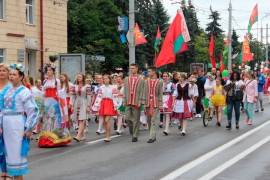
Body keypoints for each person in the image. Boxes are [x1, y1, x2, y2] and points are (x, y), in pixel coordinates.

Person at [0, 63, 38, 180]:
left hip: (17, 124)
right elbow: (1, 109)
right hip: (6, 125)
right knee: (8, 154)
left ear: (21, 77)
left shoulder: (24, 91)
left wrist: (29, 128)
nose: (11, 76)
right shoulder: (6, 90)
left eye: (14, 74)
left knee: (17, 157)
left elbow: (33, 110)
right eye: (10, 74)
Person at [38, 61, 71, 147]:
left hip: (55, 102)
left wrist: (60, 104)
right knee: (46, 121)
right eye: (47, 70)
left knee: (53, 120)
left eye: (50, 70)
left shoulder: (57, 81)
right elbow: (43, 93)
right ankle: (46, 139)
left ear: (53, 71)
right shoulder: (45, 81)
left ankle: (55, 139)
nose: (48, 71)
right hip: (46, 102)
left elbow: (60, 92)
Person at [123, 63, 145, 142]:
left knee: (136, 119)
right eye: (130, 68)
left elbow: (142, 91)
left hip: (136, 101)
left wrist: (140, 101)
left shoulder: (141, 79)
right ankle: (133, 130)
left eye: (133, 68)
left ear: (136, 69)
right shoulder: (127, 79)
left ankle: (135, 135)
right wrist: (124, 100)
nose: (131, 70)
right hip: (128, 101)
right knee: (128, 118)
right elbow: (125, 90)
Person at [92, 75, 118, 142]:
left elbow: (115, 97)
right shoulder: (101, 87)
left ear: (109, 80)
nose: (105, 80)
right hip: (103, 103)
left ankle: (108, 135)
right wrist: (97, 105)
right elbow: (99, 97)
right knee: (104, 121)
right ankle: (107, 135)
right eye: (104, 79)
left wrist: (115, 105)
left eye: (106, 78)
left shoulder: (113, 87)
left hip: (110, 103)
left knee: (107, 120)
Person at [143, 66, 163, 143]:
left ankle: (151, 137)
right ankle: (153, 134)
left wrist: (160, 104)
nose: (148, 73)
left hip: (155, 102)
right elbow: (144, 92)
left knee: (153, 120)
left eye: (150, 71)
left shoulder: (159, 82)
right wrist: (144, 102)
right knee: (149, 120)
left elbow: (160, 93)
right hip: (148, 102)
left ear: (154, 72)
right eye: (148, 71)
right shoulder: (146, 81)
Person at [70, 73, 91, 142]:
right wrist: (72, 105)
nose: (78, 78)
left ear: (83, 78)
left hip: (83, 102)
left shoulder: (87, 86)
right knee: (78, 120)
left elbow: (88, 96)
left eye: (80, 77)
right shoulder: (74, 86)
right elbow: (73, 96)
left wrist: (88, 106)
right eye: (78, 77)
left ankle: (78, 136)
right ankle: (83, 136)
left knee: (81, 119)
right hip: (77, 102)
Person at [0, 64, 12, 180]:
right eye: (0, 71)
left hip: (8, 118)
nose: (1, 72)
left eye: (4, 70)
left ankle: (7, 171)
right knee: (0, 146)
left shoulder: (11, 87)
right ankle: (3, 170)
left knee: (8, 145)